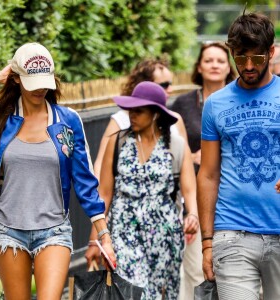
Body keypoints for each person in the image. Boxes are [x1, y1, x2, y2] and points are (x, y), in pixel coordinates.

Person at [0, 42, 115, 300]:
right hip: (8, 231)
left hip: (54, 230)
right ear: (16, 79)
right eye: (33, 82)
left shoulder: (67, 121)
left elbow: (85, 182)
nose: (41, 88)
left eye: (46, 80)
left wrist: (103, 234)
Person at [85, 81, 199, 299]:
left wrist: (191, 214)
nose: (131, 116)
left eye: (139, 111)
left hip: (165, 232)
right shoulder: (117, 141)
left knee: (159, 293)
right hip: (124, 228)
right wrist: (95, 239)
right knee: (133, 287)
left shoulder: (175, 144)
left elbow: (189, 188)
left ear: (156, 113)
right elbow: (105, 193)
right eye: (130, 110)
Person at [197, 12, 280, 300]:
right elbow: (208, 174)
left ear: (271, 52)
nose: (247, 66)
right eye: (239, 57)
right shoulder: (215, 103)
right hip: (231, 233)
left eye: (256, 59)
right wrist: (207, 243)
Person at [171, 42, 236, 300]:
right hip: (195, 197)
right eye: (208, 60)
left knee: (231, 270)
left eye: (220, 60)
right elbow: (171, 145)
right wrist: (190, 156)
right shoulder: (183, 104)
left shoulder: (239, 99)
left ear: (228, 66)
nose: (214, 65)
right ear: (199, 66)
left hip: (232, 193)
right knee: (197, 267)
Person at [93, 58, 188, 179]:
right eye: (164, 85)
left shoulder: (175, 119)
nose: (170, 89)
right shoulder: (120, 119)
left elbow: (185, 159)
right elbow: (101, 165)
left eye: (170, 84)